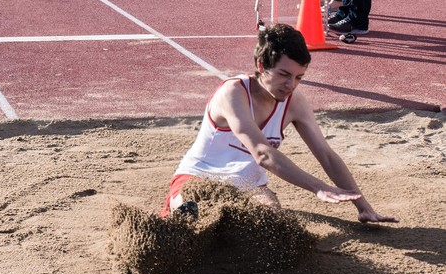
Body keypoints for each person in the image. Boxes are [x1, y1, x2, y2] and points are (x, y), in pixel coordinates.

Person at [162, 24, 398, 225]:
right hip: (199, 178)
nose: (290, 85)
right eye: (284, 74)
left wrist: (363, 206)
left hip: (251, 188)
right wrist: (318, 187)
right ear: (262, 65)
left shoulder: (295, 103)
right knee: (188, 214)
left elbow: (326, 155)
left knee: (271, 225)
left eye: (298, 77)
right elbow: (263, 154)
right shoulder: (233, 92)